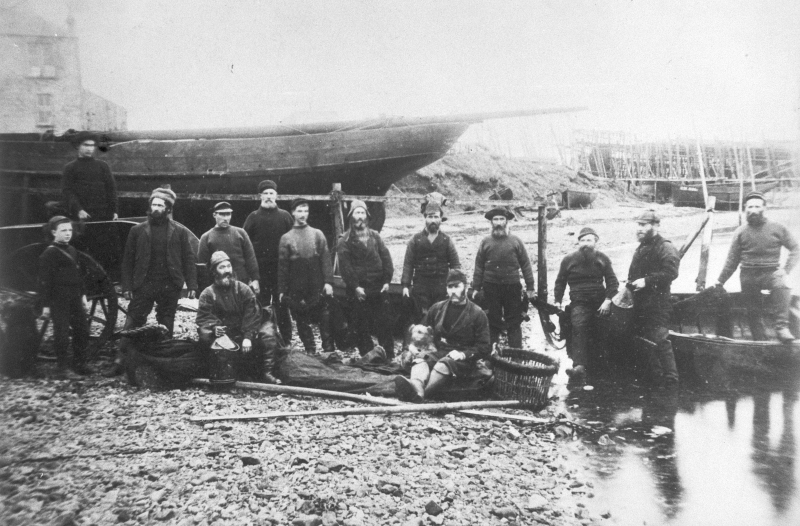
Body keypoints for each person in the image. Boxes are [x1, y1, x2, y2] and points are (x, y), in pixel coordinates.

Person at [108, 187, 198, 376]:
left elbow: (188, 259)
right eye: (153, 204)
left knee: (166, 323)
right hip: (144, 284)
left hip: (169, 284)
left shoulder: (179, 231)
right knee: (132, 321)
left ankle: (163, 363)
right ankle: (119, 361)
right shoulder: (137, 230)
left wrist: (192, 285)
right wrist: (127, 286)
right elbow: (128, 260)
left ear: (168, 208)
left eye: (160, 205)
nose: (156, 208)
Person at [395, 269, 491, 402]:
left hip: (464, 361)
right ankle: (416, 387)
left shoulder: (477, 314)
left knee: (443, 365)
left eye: (457, 286)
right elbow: (421, 330)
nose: (453, 291)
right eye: (449, 287)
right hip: (439, 352)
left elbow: (484, 347)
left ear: (465, 286)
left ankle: (421, 394)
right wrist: (412, 347)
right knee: (420, 360)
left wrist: (463, 354)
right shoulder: (437, 308)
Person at [714, 192, 798, 342]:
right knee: (752, 310)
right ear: (745, 209)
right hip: (748, 274)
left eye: (757, 206)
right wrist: (720, 281)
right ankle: (759, 339)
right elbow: (732, 260)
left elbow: (795, 248)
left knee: (783, 285)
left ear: (764, 208)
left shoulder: (777, 228)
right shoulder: (740, 232)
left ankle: (781, 327)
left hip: (771, 272)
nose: (753, 210)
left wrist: (786, 270)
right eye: (750, 206)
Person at [197, 251, 280, 384]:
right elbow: (203, 316)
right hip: (225, 333)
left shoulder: (243, 289)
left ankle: (267, 372)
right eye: (222, 267)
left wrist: (248, 336)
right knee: (204, 334)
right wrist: (214, 327)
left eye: (228, 266)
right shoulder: (207, 294)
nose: (227, 271)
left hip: (246, 329)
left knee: (268, 333)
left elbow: (253, 314)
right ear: (214, 272)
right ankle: (220, 371)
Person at [554, 226, 619, 385]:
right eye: (582, 240)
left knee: (605, 329)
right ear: (578, 243)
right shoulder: (568, 260)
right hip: (579, 303)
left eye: (589, 240)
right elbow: (560, 282)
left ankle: (603, 365)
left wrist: (608, 301)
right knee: (578, 327)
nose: (585, 244)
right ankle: (579, 366)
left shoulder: (602, 258)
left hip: (600, 302)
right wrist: (557, 301)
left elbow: (612, 282)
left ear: (595, 242)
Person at [627, 210, 680, 386]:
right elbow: (633, 273)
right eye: (638, 225)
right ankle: (656, 378)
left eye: (643, 225)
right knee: (645, 341)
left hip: (658, 302)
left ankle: (672, 380)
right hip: (641, 303)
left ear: (656, 226)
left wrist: (647, 281)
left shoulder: (665, 247)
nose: (639, 229)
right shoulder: (641, 247)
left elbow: (671, 273)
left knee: (660, 339)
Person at [470, 207, 535, 349]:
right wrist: (476, 287)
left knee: (514, 322)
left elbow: (526, 264)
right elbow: (479, 266)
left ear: (506, 221)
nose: (498, 223)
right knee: (492, 321)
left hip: (512, 286)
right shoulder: (485, 241)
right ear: (491, 223)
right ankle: (492, 357)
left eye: (501, 219)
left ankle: (516, 356)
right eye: (495, 219)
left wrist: (530, 287)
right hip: (491, 287)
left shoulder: (516, 241)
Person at [337, 199, 394, 357]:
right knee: (360, 324)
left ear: (367, 216)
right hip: (358, 290)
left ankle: (389, 355)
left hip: (378, 286)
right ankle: (368, 355)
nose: (360, 216)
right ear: (351, 217)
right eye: (357, 213)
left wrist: (387, 281)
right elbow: (345, 267)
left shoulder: (375, 236)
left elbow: (386, 258)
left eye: (362, 212)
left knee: (384, 322)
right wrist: (355, 286)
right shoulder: (344, 240)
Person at [278, 198, 335, 354]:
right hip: (297, 286)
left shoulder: (317, 234)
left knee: (324, 317)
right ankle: (310, 350)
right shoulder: (286, 238)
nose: (303, 214)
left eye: (306, 210)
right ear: (293, 213)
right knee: (301, 319)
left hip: (316, 284)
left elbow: (325, 259)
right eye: (300, 211)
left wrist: (329, 282)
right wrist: (282, 290)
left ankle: (329, 350)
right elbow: (283, 267)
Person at [38, 216, 90, 377]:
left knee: (81, 329)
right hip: (58, 298)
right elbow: (45, 282)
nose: (68, 234)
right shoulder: (49, 253)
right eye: (63, 230)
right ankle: (62, 368)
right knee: (61, 333)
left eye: (70, 230)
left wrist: (83, 296)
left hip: (74, 296)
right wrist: (45, 305)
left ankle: (80, 363)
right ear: (54, 232)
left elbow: (78, 275)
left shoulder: (72, 250)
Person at [243, 180, 294, 343]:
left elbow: (293, 243)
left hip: (281, 272)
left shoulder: (285, 216)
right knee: (261, 307)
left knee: (282, 307)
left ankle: (286, 343)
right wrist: (252, 276)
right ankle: (264, 342)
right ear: (260, 196)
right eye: (265, 193)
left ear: (276, 195)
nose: (269, 196)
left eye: (271, 193)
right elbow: (245, 245)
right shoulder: (253, 217)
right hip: (261, 272)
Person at [401, 201, 461, 316]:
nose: (433, 220)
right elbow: (408, 264)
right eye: (430, 217)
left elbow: (455, 265)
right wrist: (405, 285)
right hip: (421, 286)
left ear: (440, 219)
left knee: (440, 315)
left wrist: (455, 285)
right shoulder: (415, 240)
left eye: (436, 217)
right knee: (422, 315)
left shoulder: (446, 240)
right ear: (425, 218)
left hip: (441, 285)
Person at [198, 201, 259, 290]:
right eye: (222, 214)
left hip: (241, 283)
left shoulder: (240, 233)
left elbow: (250, 258)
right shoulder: (206, 237)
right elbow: (202, 266)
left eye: (228, 214)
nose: (226, 218)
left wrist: (255, 279)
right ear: (214, 215)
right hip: (218, 284)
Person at [62, 133, 118, 221]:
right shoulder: (70, 167)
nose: (89, 149)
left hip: (103, 212)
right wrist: (79, 210)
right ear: (78, 146)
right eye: (86, 145)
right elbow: (68, 191)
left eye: (92, 146)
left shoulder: (103, 165)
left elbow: (111, 189)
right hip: (82, 214)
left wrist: (114, 211)